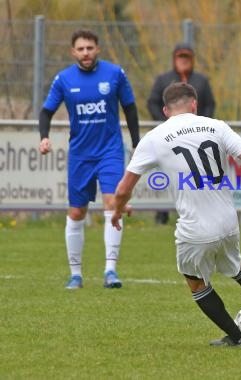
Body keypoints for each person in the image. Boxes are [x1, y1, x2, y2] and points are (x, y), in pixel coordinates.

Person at [112, 82, 241, 346]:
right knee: (238, 268)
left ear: (166, 110)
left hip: (196, 228)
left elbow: (123, 188)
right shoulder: (216, 126)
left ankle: (237, 338)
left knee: (195, 281)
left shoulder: (154, 137)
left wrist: (118, 210)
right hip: (228, 222)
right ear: (194, 104)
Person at [38, 29, 140, 290]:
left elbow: (129, 108)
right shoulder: (63, 79)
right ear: (73, 52)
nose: (86, 53)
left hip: (110, 150)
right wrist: (44, 137)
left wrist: (137, 142)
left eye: (90, 48)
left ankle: (110, 271)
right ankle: (75, 274)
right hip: (81, 154)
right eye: (81, 49)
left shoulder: (115, 74)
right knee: (76, 211)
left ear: (98, 49)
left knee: (111, 204)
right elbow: (47, 111)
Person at [147, 42, 216, 225]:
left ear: (192, 59)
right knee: (168, 173)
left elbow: (210, 104)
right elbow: (152, 102)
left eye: (187, 57)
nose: (183, 61)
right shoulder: (164, 80)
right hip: (170, 137)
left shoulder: (201, 81)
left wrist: (202, 124)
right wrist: (165, 122)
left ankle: (198, 211)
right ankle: (162, 213)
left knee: (196, 173)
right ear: (174, 59)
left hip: (196, 138)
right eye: (180, 57)